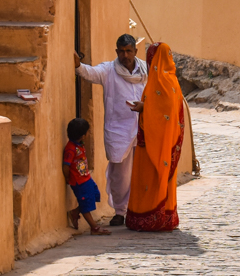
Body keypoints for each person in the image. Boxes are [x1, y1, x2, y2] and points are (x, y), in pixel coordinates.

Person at [75, 34, 147, 227]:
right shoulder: (108, 70)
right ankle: (120, 212)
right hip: (118, 131)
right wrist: (77, 66)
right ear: (117, 52)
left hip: (143, 128)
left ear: (135, 51)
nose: (125, 55)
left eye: (128, 51)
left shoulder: (147, 71)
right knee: (120, 175)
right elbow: (89, 73)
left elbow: (157, 94)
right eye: (121, 51)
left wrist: (145, 106)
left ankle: (140, 210)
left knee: (142, 173)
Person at [125, 42, 185, 232]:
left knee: (150, 178)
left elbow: (165, 112)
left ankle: (150, 217)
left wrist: (144, 108)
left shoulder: (162, 81)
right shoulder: (171, 80)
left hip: (155, 142)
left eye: (151, 58)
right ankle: (164, 216)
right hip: (161, 141)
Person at [62, 118, 110, 235]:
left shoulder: (79, 145)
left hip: (86, 178)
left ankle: (75, 212)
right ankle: (94, 227)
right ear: (83, 135)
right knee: (86, 202)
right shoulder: (71, 149)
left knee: (94, 195)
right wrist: (68, 178)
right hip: (79, 181)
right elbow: (66, 166)